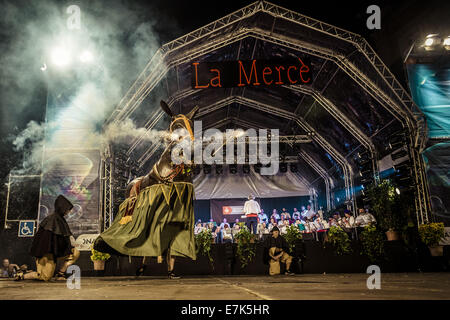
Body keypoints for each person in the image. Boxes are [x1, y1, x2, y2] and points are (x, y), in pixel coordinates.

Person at [17, 195, 80, 281]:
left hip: (55, 252)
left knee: (75, 252)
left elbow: (63, 239)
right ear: (62, 208)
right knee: (45, 277)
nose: (68, 212)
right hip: (46, 254)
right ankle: (22, 275)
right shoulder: (52, 220)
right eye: (67, 209)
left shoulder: (60, 220)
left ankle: (60, 273)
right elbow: (44, 243)